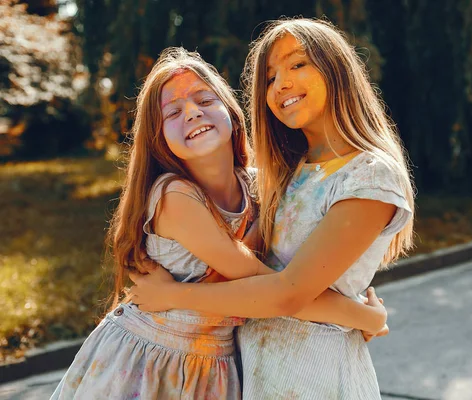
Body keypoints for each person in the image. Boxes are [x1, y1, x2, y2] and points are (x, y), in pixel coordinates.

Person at [51, 47, 388, 400]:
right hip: (149, 361)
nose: (193, 113)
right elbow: (275, 290)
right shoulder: (174, 197)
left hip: (215, 365)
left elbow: (296, 269)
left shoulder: (258, 189)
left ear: (231, 110)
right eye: (174, 112)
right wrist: (364, 318)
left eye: (204, 99)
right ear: (158, 138)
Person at [130, 18, 414, 399]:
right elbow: (257, 269)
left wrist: (174, 296)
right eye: (269, 77)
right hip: (256, 373)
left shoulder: (369, 175)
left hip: (317, 376)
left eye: (297, 64)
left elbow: (287, 292)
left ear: (337, 70)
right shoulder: (286, 172)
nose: (280, 84)